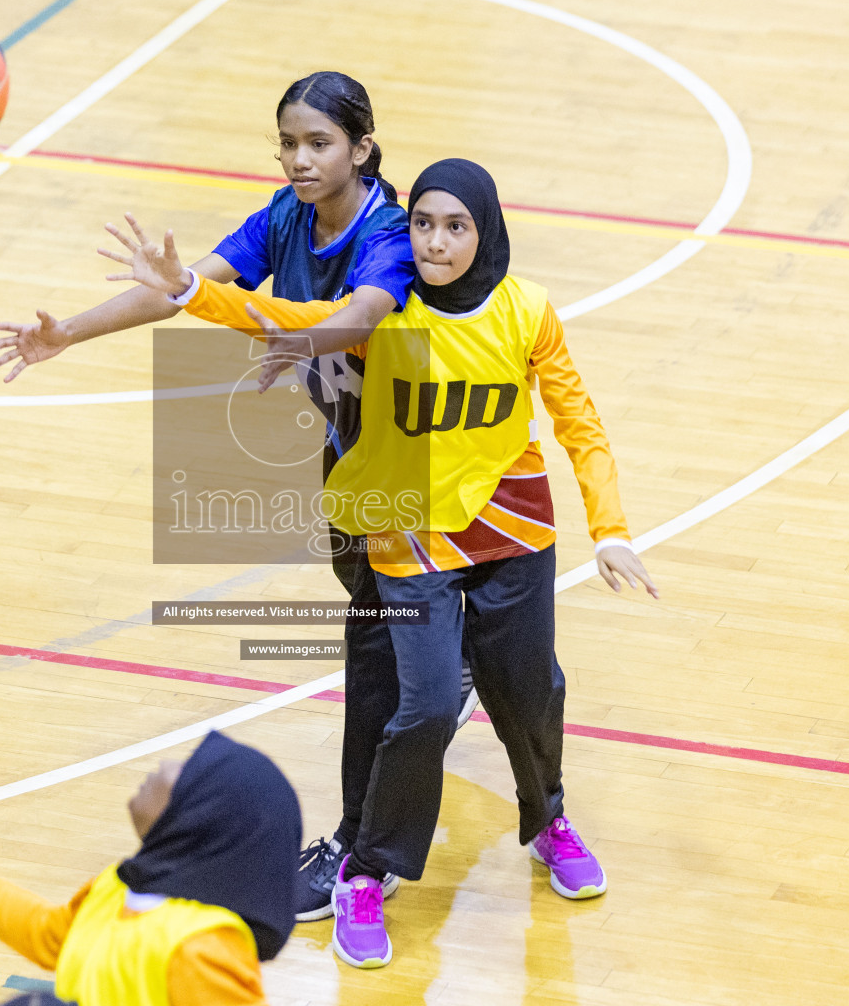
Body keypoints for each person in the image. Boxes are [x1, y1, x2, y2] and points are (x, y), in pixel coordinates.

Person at [100, 158, 659, 969]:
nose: (436, 241)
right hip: (404, 527)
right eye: (423, 223)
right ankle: (369, 869)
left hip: (510, 521)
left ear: (486, 229)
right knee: (425, 704)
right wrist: (189, 288)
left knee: (533, 686)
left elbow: (580, 422)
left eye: (456, 226)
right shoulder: (380, 311)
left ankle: (549, 820)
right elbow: (277, 311)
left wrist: (611, 529)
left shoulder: (526, 310)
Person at [0, 71, 477, 921]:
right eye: (287, 143)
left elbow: (359, 317)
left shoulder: (389, 231)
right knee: (376, 616)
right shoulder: (285, 216)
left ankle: (367, 853)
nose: (297, 158)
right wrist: (67, 330)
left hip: (420, 471)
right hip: (349, 457)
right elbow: (182, 287)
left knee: (384, 660)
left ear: (362, 149)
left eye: (318, 143)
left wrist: (272, 327)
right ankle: (461, 670)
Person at [0, 730, 300, 1004]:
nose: (165, 765)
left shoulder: (203, 947)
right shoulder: (117, 888)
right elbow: (49, 936)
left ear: (201, 816)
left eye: (186, 768)